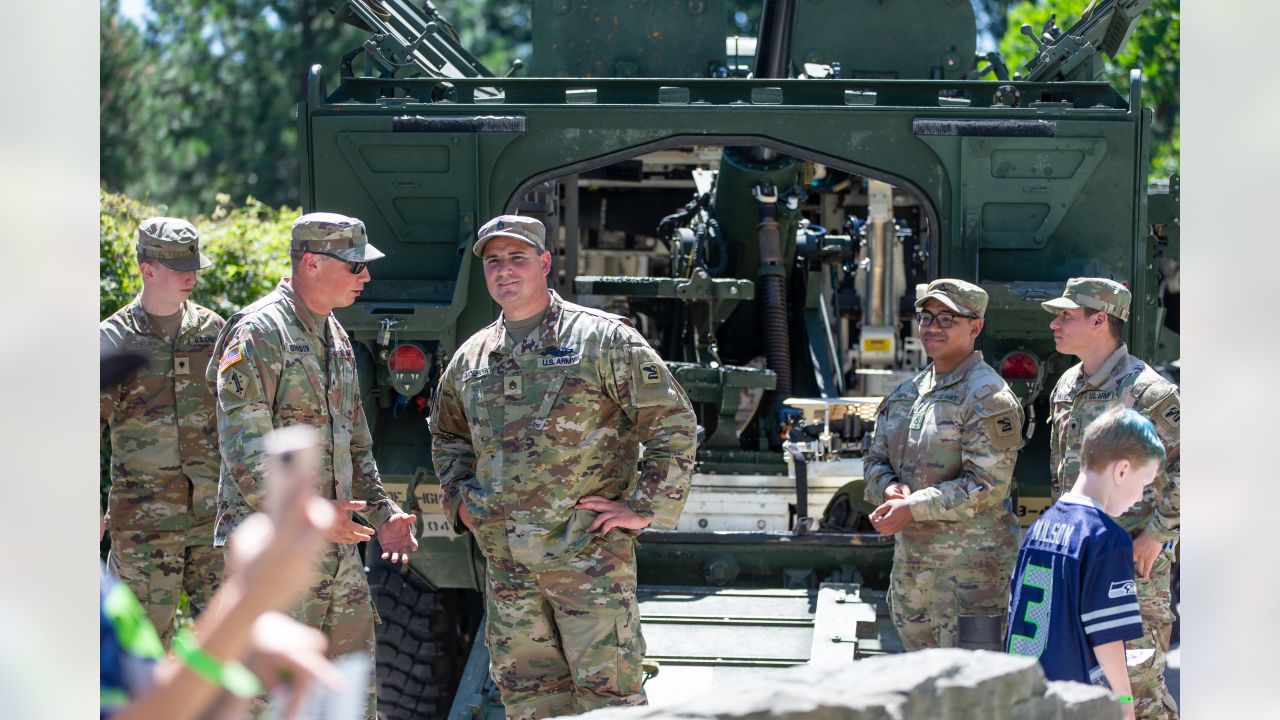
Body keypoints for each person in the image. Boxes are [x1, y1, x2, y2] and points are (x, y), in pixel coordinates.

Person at [430, 215, 697, 718]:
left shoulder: (601, 340)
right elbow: (448, 435)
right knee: (529, 703)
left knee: (611, 704)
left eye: (517, 258)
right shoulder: (473, 358)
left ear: (544, 263)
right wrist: (461, 500)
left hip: (587, 561)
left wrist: (643, 506)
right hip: (510, 571)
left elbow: (672, 421)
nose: (504, 271)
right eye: (493, 262)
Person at [207, 212, 419, 719]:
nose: (365, 278)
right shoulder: (259, 333)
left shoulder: (337, 337)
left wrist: (385, 514)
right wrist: (319, 516)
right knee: (267, 701)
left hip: (338, 561)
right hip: (276, 558)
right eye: (355, 267)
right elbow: (247, 454)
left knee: (347, 699)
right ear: (312, 263)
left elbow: (357, 446)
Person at [1042, 277, 1181, 719]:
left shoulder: (1149, 393)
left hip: (1132, 564)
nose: (1054, 324)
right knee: (1088, 686)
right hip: (1079, 559)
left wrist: (1156, 536)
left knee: (1136, 685)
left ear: (1099, 319)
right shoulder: (1067, 383)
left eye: (1066, 315)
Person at [863, 279, 1024, 650]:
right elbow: (875, 460)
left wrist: (913, 508)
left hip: (970, 581)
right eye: (926, 316)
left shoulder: (988, 397)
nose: (932, 327)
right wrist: (887, 488)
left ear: (975, 326)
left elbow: (987, 486)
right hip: (913, 573)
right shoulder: (908, 393)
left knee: (972, 697)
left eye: (947, 318)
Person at [100, 217, 225, 646]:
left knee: (237, 649)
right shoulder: (114, 340)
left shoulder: (215, 332)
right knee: (141, 656)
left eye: (193, 264)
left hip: (213, 521)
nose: (190, 275)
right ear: (147, 269)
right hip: (144, 527)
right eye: (178, 267)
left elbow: (243, 416)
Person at [1007, 407, 1165, 720]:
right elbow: (1107, 639)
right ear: (1121, 471)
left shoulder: (1039, 527)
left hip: (1026, 696)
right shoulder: (1106, 538)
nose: (1139, 497)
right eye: (1144, 483)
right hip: (1073, 703)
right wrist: (1124, 705)